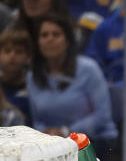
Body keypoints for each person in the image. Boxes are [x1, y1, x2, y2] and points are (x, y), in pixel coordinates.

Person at [26, 12, 118, 151]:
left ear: (68, 40)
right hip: (50, 146)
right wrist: (46, 134)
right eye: (44, 35)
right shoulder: (32, 76)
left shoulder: (89, 68)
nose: (49, 39)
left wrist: (65, 132)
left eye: (56, 35)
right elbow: (37, 120)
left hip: (94, 143)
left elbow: (102, 116)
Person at [0, 28, 31, 124]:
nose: (12, 55)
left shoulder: (32, 87)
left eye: (18, 52)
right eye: (7, 51)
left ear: (28, 58)